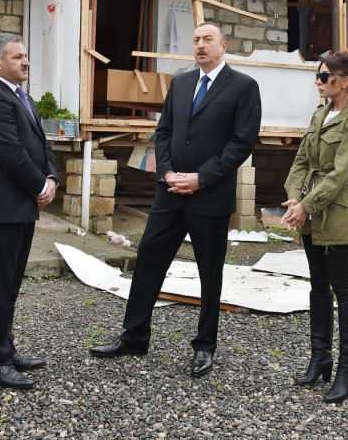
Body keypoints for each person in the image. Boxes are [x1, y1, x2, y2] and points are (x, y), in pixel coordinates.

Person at [90, 21, 261, 378]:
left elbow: (241, 143)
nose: (200, 45)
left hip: (209, 196)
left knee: (209, 274)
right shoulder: (181, 83)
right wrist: (167, 172)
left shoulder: (243, 86)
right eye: (196, 39)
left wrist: (201, 178)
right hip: (169, 193)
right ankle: (134, 336)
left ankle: (204, 346)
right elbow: (164, 132)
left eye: (208, 39)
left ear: (223, 46)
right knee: (148, 261)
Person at [281, 49, 348, 403]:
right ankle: (320, 359)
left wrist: (306, 205)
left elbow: (341, 172)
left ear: (345, 80)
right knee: (318, 284)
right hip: (311, 209)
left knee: (342, 288)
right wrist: (295, 198)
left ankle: (347, 371)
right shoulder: (320, 113)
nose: (318, 82)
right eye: (317, 76)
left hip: (338, 211)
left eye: (324, 76)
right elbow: (302, 161)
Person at [0, 33, 59, 389]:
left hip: (22, 207)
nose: (26, 61)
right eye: (18, 56)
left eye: (26, 55)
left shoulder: (24, 97)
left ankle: (5, 350)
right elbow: (10, 152)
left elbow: (42, 146)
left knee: (10, 286)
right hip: (1, 207)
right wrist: (39, 186)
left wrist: (51, 178)